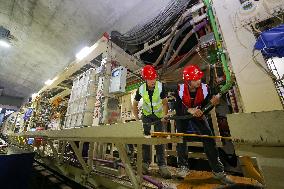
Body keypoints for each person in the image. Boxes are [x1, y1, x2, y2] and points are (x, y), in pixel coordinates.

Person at [173, 65, 234, 184]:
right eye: (195, 79)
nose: (198, 81)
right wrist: (189, 110)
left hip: (199, 114)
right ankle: (183, 167)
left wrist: (211, 104)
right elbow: (178, 109)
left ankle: (218, 171)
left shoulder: (206, 88)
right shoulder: (179, 90)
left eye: (199, 78)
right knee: (181, 139)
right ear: (188, 81)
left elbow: (206, 106)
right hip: (183, 115)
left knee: (209, 138)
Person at [132, 65, 171, 179]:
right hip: (146, 116)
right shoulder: (141, 88)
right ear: (145, 79)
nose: (153, 81)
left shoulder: (161, 86)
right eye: (150, 79)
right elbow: (134, 104)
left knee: (160, 139)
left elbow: (164, 103)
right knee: (146, 139)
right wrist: (137, 118)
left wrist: (164, 115)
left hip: (159, 116)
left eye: (154, 78)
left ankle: (162, 165)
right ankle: (145, 163)